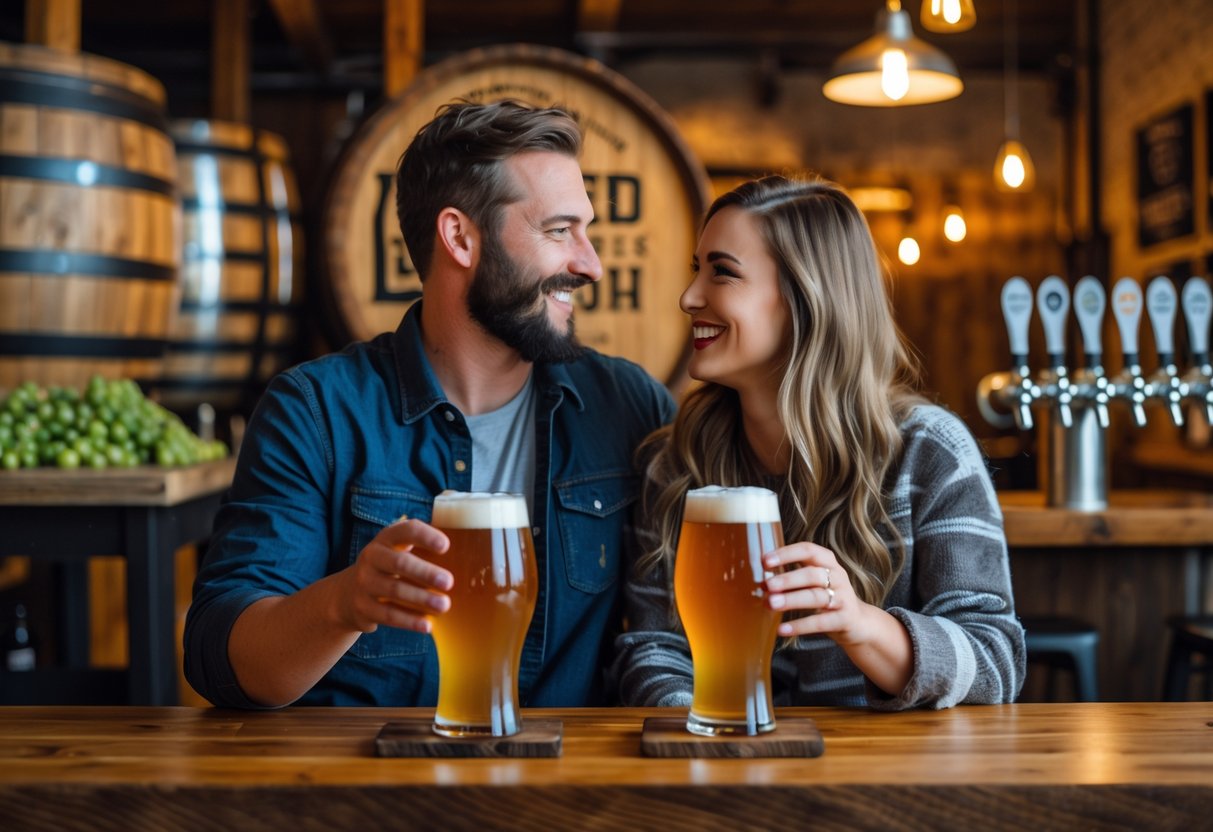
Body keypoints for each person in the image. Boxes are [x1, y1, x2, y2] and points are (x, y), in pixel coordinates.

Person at [185, 101, 675, 708]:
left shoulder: (628, 405)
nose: (590, 263)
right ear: (460, 237)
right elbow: (221, 657)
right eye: (558, 230)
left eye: (588, 230)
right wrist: (344, 603)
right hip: (368, 789)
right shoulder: (316, 412)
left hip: (564, 791)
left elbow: (674, 638)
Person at [614, 176, 1024, 709]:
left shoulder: (928, 452)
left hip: (884, 779)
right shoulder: (676, 462)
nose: (689, 297)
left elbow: (995, 663)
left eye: (722, 273)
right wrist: (710, 734)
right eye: (698, 270)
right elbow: (654, 648)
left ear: (804, 300)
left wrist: (861, 626)